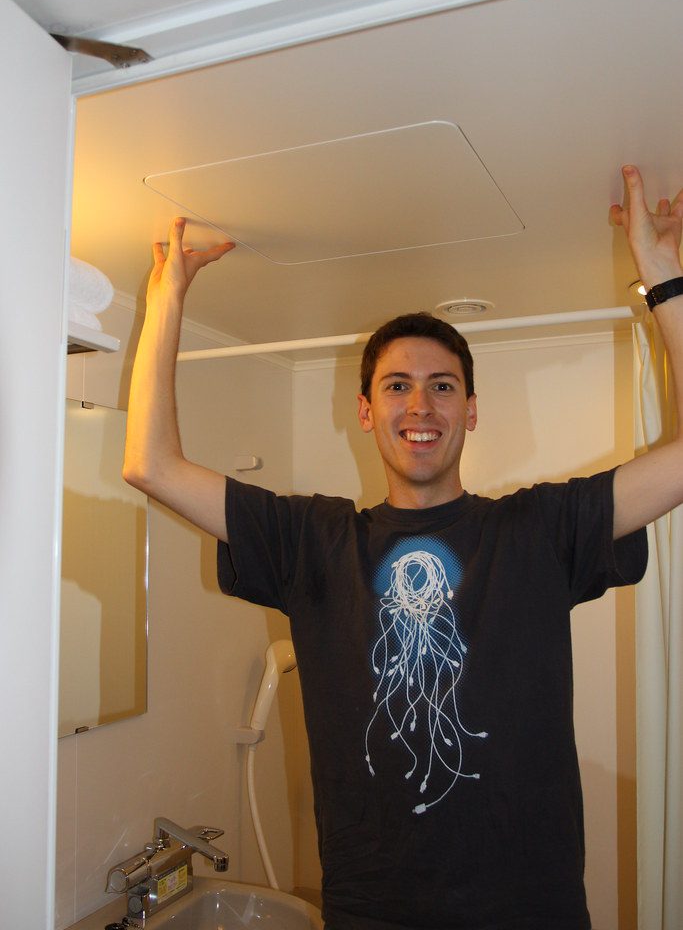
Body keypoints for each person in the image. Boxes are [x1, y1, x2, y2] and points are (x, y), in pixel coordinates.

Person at [124, 165, 683, 930]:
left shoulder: (538, 531)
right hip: (371, 911)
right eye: (396, 385)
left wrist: (663, 278)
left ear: (471, 411)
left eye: (442, 386)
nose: (419, 404)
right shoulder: (312, 541)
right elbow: (148, 465)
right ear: (364, 410)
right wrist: (166, 302)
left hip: (531, 909)